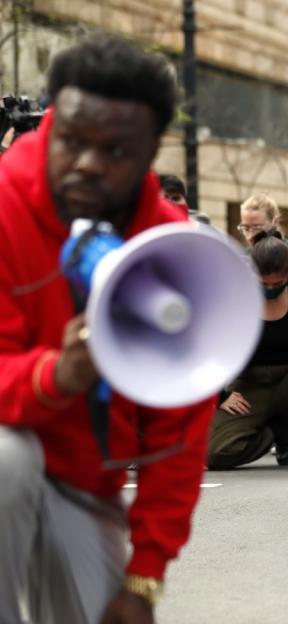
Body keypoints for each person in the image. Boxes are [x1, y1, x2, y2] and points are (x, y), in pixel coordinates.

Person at [0, 37, 216, 623]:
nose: (88, 163)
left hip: (85, 479)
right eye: (70, 141)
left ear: (150, 154)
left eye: (115, 150)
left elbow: (178, 433)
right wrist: (56, 375)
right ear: (51, 126)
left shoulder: (172, 253)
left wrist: (144, 577)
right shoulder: (5, 206)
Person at [206, 235, 288, 470]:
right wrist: (221, 396)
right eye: (262, 284)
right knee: (213, 454)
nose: (270, 289)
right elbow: (210, 348)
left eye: (277, 284)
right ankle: (273, 431)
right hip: (251, 384)